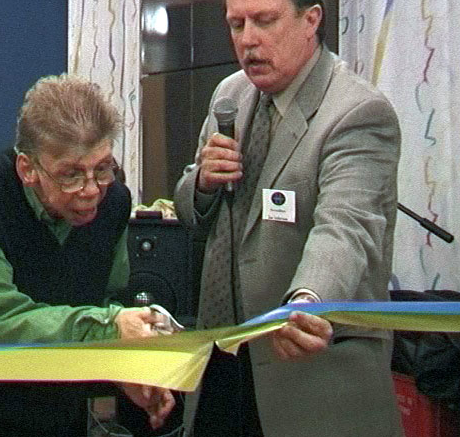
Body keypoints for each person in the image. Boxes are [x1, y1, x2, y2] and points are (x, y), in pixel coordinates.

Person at [173, 0, 403, 436]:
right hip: (221, 366)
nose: (248, 40)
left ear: (311, 19)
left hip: (310, 379)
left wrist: (309, 302)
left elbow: (345, 229)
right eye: (236, 24)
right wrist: (203, 182)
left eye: (265, 20)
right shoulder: (229, 95)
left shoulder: (357, 113)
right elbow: (190, 212)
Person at [0, 74, 175, 437]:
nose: (90, 191)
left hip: (60, 419)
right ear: (28, 169)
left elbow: (107, 298)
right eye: (70, 175)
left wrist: (123, 370)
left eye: (102, 168)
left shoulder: (114, 202)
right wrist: (110, 326)